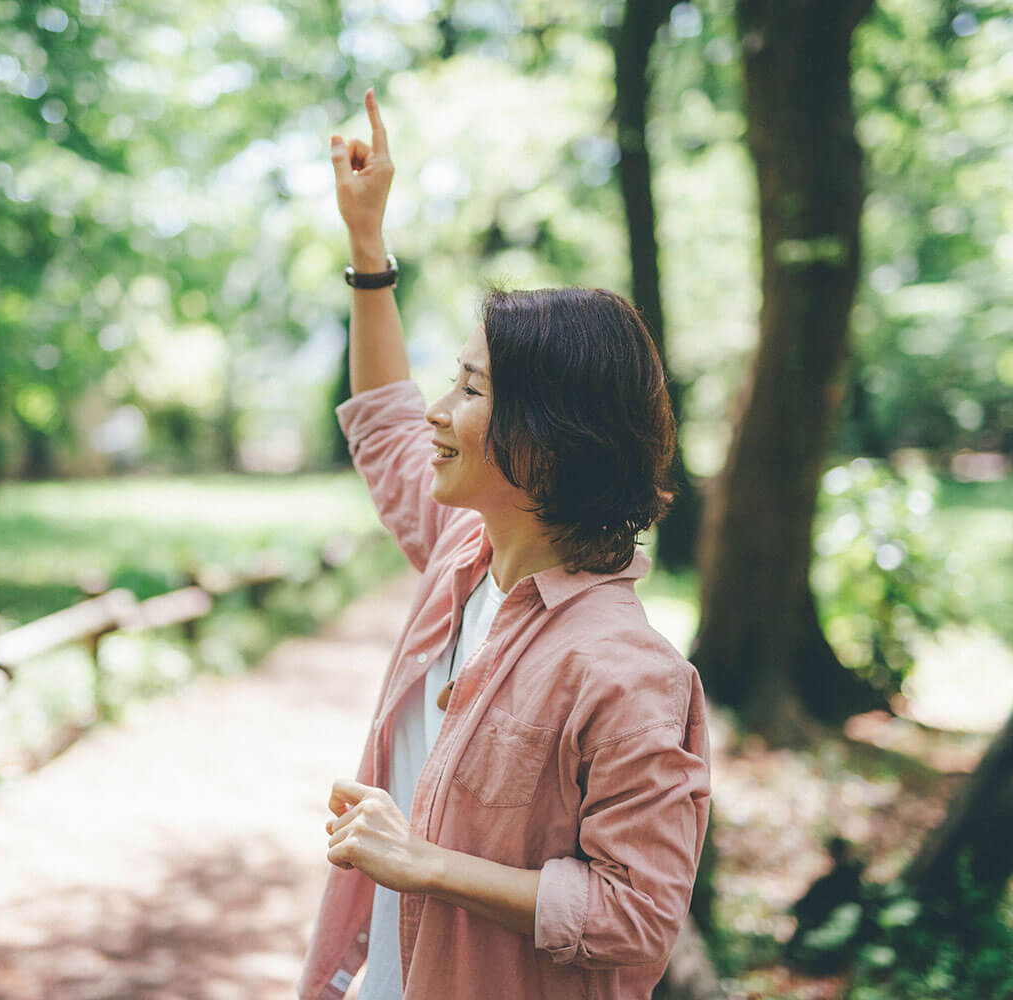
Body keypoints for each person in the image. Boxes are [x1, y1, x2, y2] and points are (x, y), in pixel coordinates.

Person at [298, 88, 710, 1000]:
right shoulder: (462, 553)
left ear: (550, 443)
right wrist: (368, 250)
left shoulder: (628, 673)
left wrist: (424, 862)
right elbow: (384, 422)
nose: (439, 414)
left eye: (473, 392)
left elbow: (638, 916)